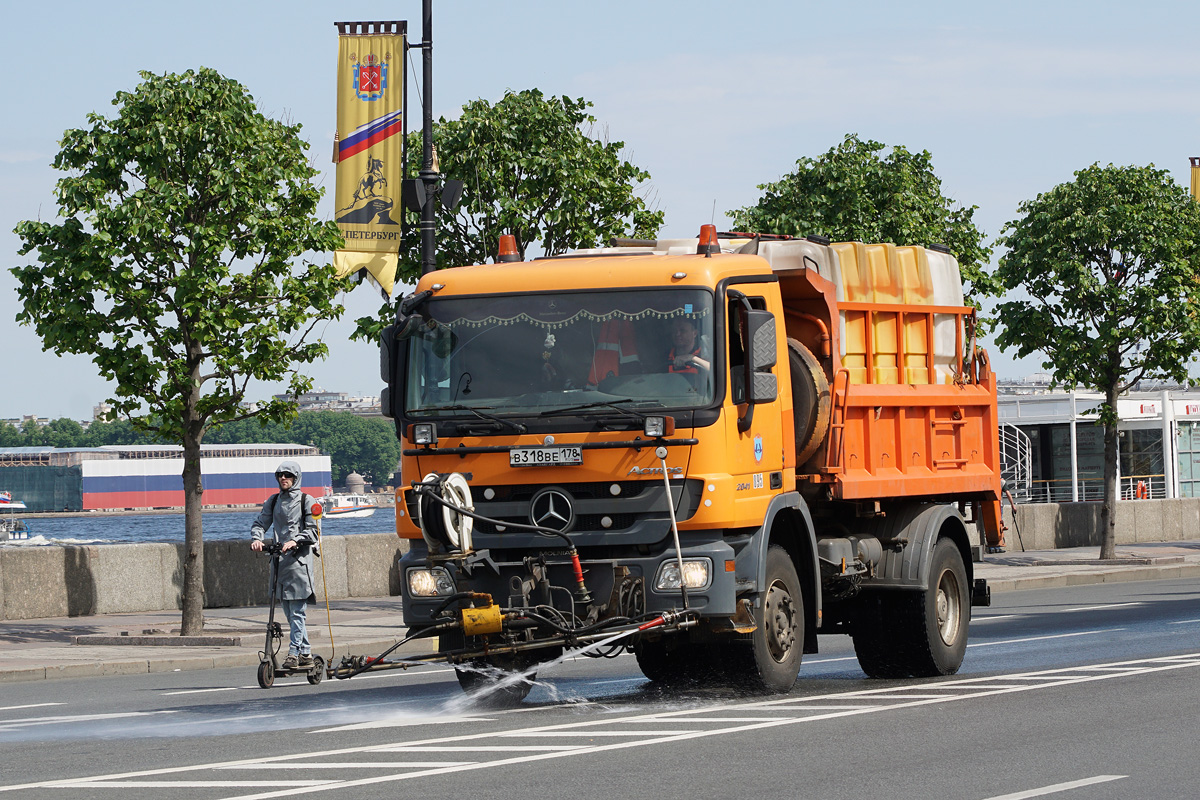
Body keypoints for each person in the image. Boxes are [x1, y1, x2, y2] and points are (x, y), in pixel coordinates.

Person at [250, 460, 319, 669]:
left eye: (288, 475)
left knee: (297, 611)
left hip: (298, 562)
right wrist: (257, 538)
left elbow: (312, 530)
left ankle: (293, 653)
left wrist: (296, 540)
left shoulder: (306, 500)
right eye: (280, 475)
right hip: (279, 562)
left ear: (296, 477)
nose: (283, 478)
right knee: (289, 612)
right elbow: (260, 522)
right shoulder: (273, 501)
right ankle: (306, 652)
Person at [666, 318, 710, 383]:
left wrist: (692, 358)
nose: (677, 334)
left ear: (694, 333)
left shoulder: (704, 353)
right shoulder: (665, 356)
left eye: (682, 330)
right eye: (674, 331)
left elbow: (717, 372)